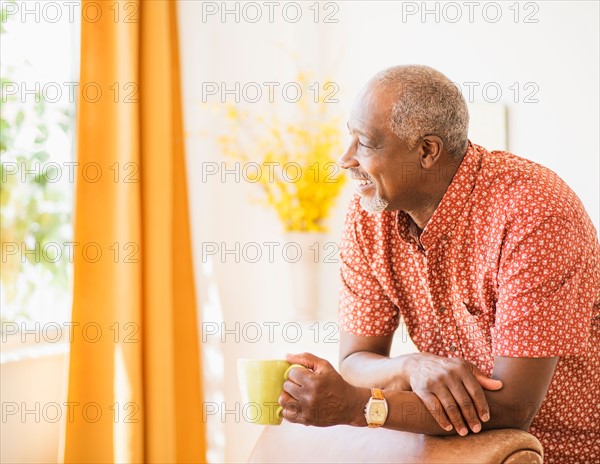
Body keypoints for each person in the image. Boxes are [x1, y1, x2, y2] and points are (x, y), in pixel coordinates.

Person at [279, 65, 600, 464]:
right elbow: (353, 361)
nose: (345, 160)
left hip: (560, 454)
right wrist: (411, 366)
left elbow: (514, 408)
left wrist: (361, 407)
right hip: (445, 453)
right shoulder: (369, 214)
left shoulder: (535, 214)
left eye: (364, 143)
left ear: (426, 152)